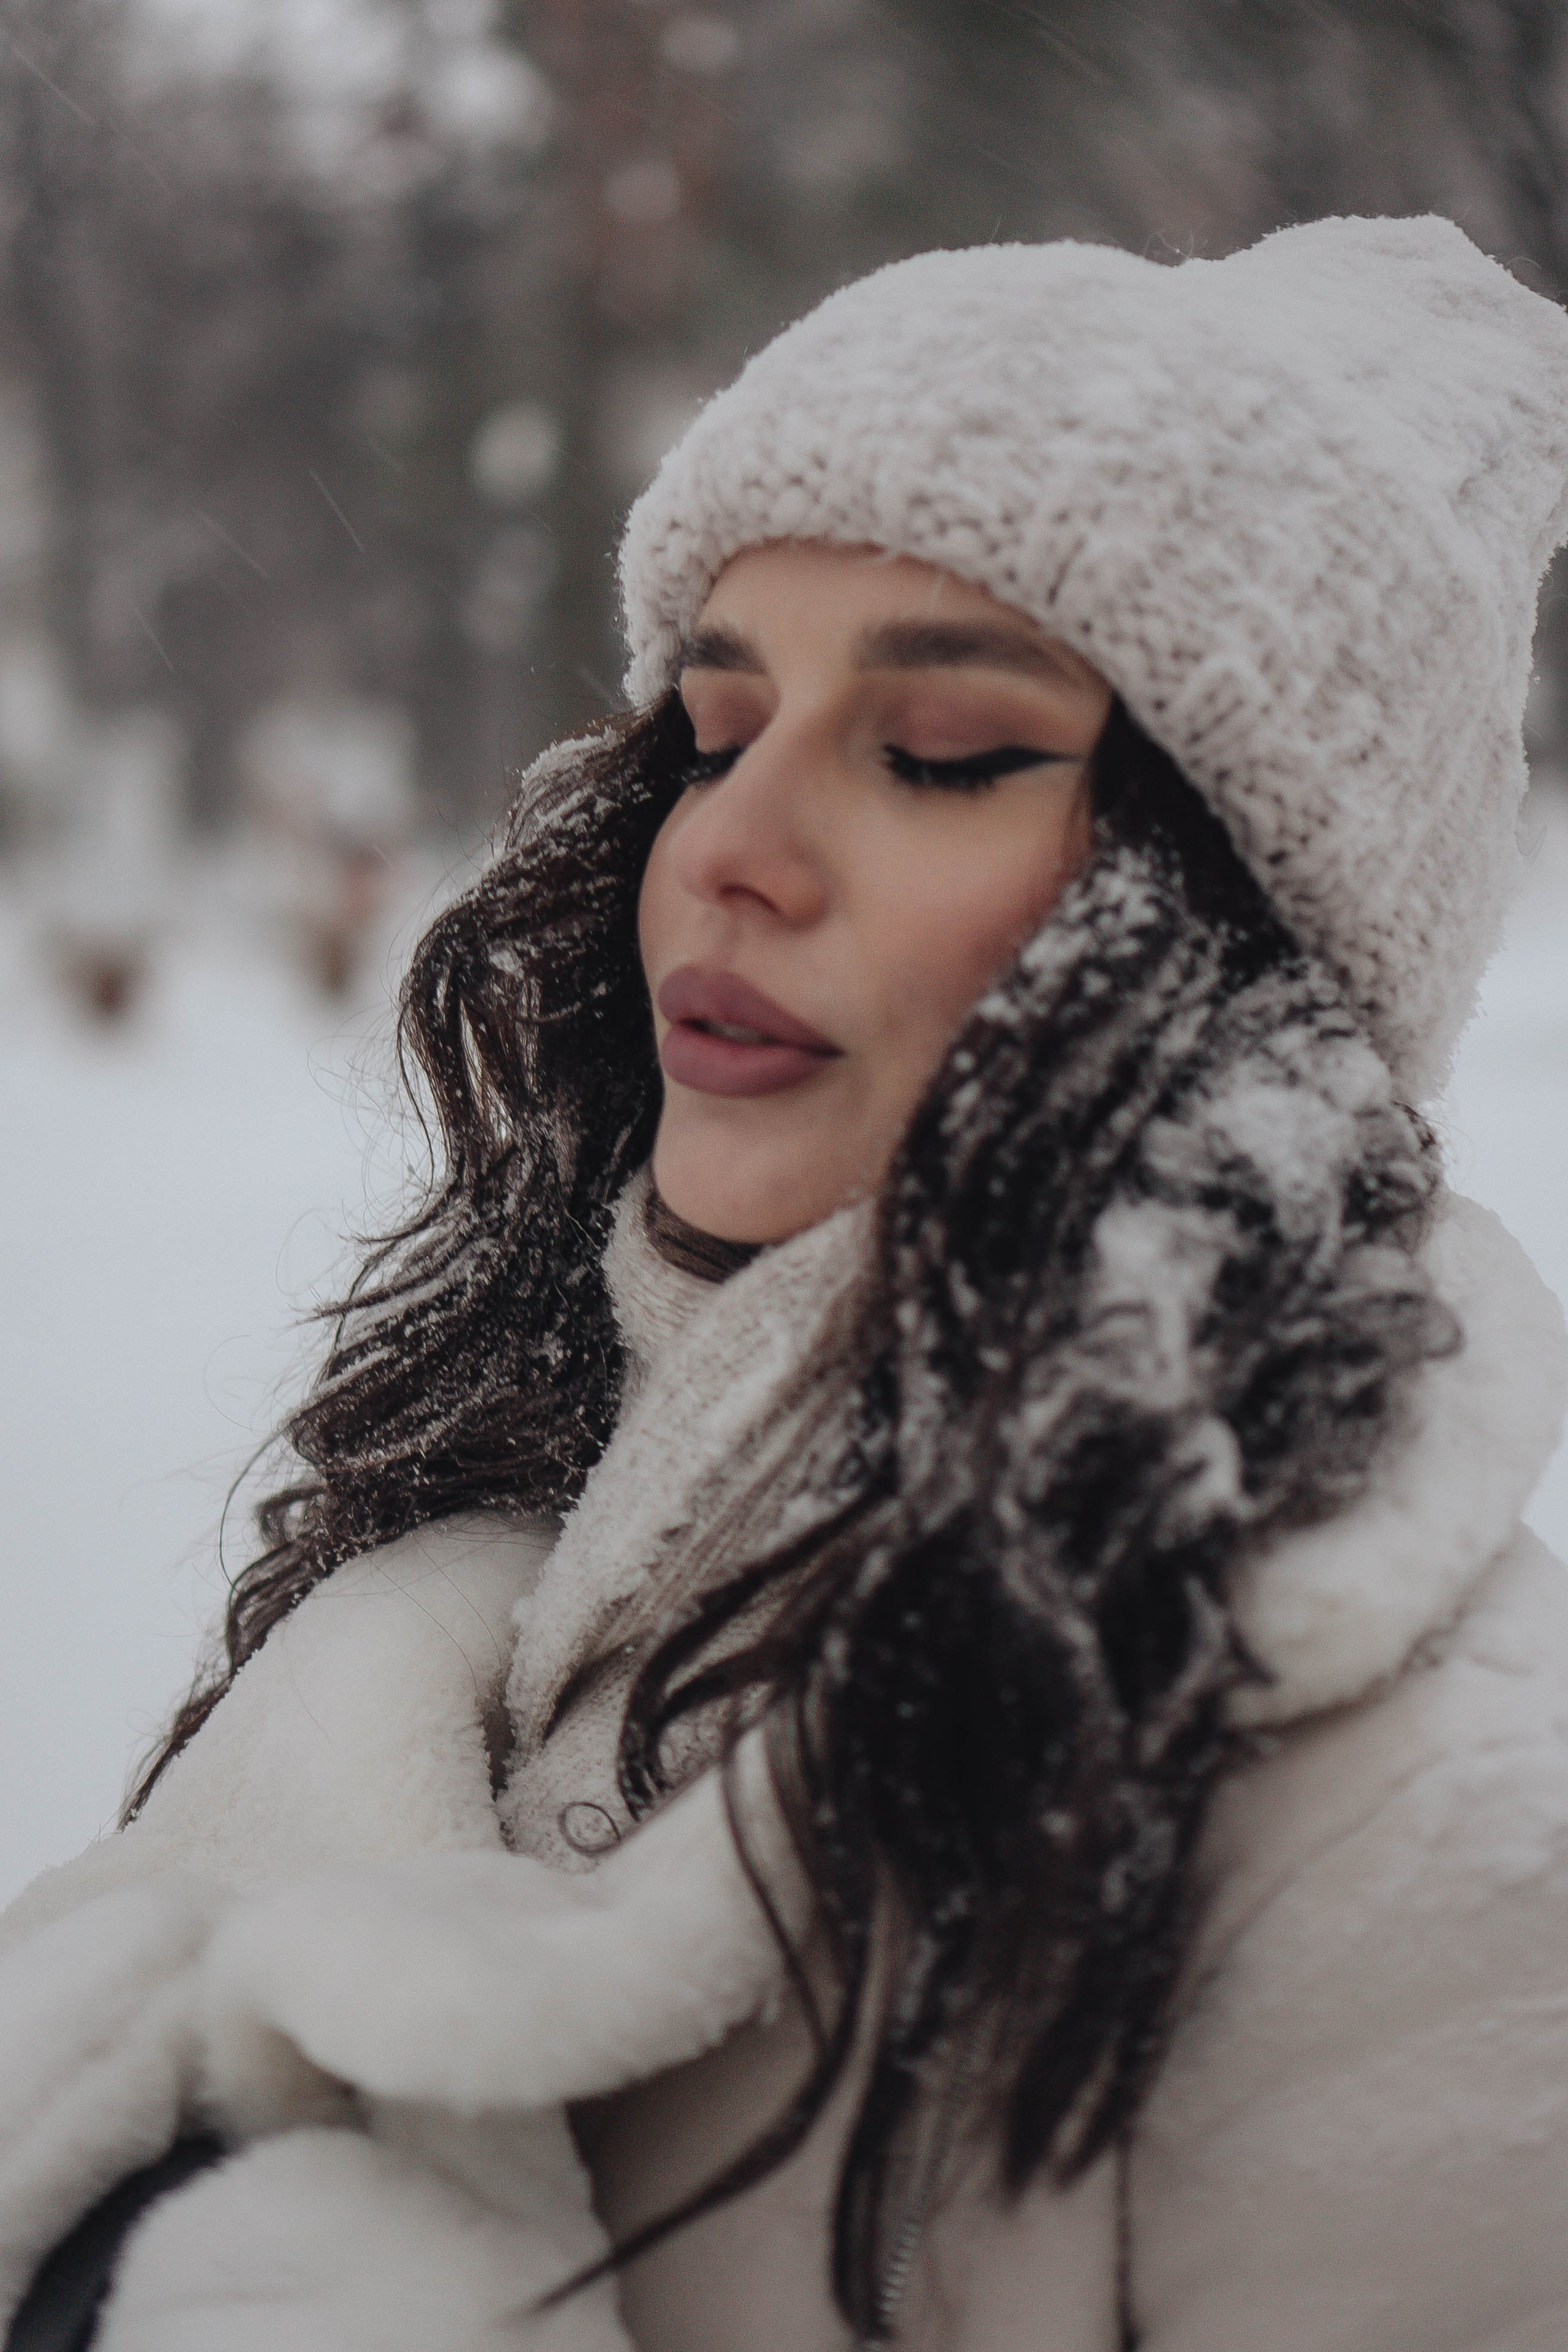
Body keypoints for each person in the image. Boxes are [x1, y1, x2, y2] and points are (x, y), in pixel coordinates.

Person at [3, 212, 1568, 2352]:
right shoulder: (487, 1583)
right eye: (719, 731)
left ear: (1234, 931)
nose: (729, 846)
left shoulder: (1450, 1851)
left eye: (940, 753)